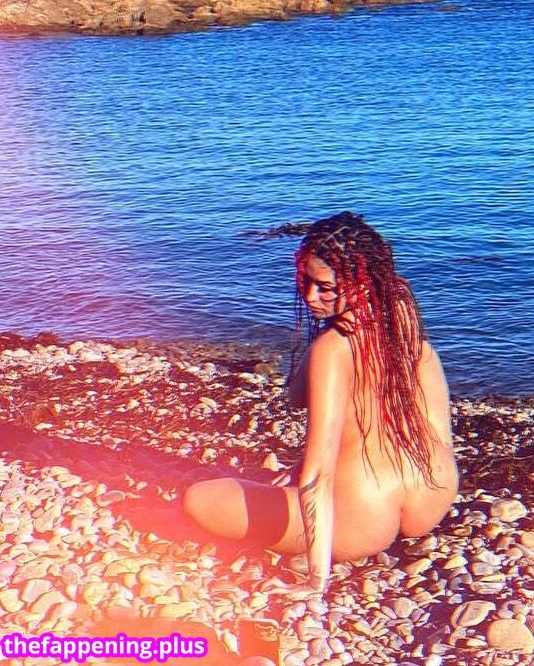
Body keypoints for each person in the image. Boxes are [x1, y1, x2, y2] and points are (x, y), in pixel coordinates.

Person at [183, 213, 458, 593]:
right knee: (422, 362)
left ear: (362, 281)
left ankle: (325, 556)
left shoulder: (333, 349)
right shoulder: (400, 309)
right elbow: (429, 416)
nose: (311, 297)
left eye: (325, 287)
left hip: (363, 519)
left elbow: (319, 474)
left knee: (200, 498)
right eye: (305, 282)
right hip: (434, 491)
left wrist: (316, 581)